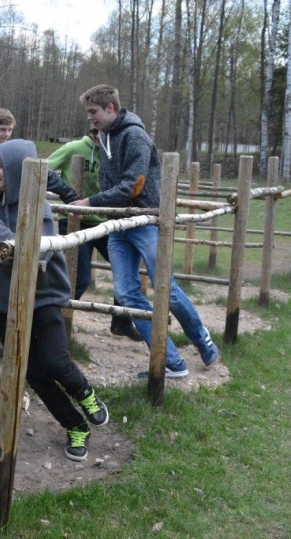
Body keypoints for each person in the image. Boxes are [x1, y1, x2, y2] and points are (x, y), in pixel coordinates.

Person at [73, 85, 219, 378]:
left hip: (146, 220)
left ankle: (203, 341)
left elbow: (133, 184)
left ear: (111, 109)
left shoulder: (135, 136)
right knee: (126, 293)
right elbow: (109, 180)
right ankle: (171, 361)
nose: (90, 118)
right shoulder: (103, 137)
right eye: (88, 113)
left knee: (167, 289)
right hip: (119, 224)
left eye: (94, 112)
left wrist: (89, 202)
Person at [0, 139, 110, 462]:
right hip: (3, 299)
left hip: (44, 296)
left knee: (55, 361)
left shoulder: (39, 206)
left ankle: (84, 392)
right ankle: (75, 426)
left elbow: (37, 250)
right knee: (34, 374)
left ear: (16, 170)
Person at [47, 129, 140, 340]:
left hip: (105, 223)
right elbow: (42, 168)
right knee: (78, 278)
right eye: (102, 136)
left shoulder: (114, 154)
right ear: (95, 134)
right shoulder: (73, 148)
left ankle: (121, 321)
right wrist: (66, 193)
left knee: (126, 270)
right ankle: (57, 327)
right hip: (74, 222)